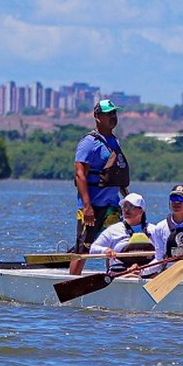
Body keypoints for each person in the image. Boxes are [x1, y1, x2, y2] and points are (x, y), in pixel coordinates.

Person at [70, 99, 129, 275]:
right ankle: (72, 281)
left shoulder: (114, 141)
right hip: (92, 207)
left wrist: (126, 198)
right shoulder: (89, 142)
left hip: (112, 205)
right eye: (108, 113)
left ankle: (111, 277)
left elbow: (114, 173)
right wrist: (87, 207)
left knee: (115, 245)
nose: (113, 117)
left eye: (114, 113)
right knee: (83, 247)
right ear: (97, 117)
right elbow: (80, 174)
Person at [88, 192, 154, 274]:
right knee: (130, 276)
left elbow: (162, 253)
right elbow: (93, 249)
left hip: (146, 272)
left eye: (131, 206)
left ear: (141, 211)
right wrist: (105, 250)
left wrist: (143, 271)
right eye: (124, 206)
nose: (126, 209)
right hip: (120, 272)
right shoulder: (113, 230)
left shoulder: (153, 230)